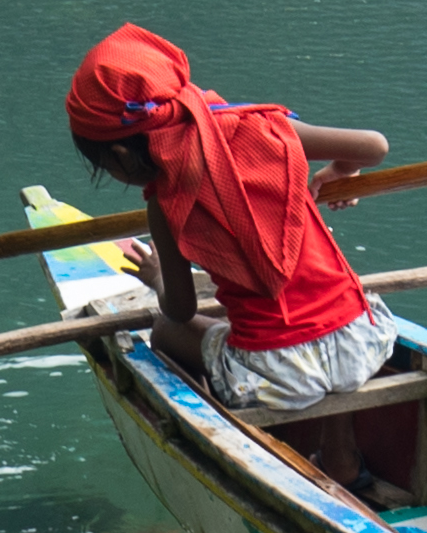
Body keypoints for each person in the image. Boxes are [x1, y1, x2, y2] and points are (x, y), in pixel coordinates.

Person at [63, 25, 402, 416]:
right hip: (362, 342)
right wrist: (342, 171)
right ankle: (342, 460)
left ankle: (215, 419)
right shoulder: (268, 128)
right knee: (320, 323)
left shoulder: (165, 203)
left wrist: (156, 277)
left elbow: (180, 309)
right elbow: (375, 147)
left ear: (122, 154)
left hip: (277, 376)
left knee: (166, 332)